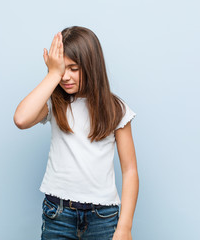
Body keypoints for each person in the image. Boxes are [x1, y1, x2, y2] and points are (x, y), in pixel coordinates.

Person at [13, 26, 139, 240]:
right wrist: (52, 74)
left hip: (103, 217)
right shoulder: (55, 104)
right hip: (58, 215)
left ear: (91, 66)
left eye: (74, 68)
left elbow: (130, 171)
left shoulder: (116, 109)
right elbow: (21, 119)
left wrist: (124, 227)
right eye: (62, 68)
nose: (66, 77)